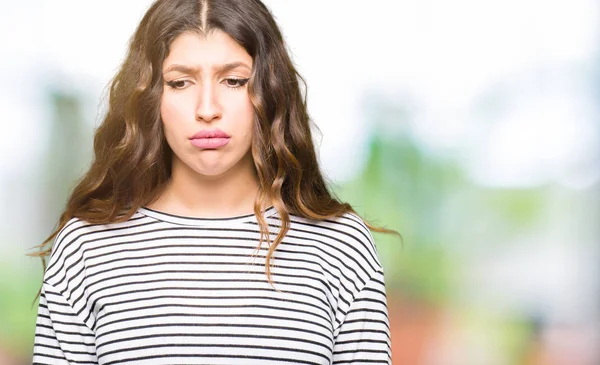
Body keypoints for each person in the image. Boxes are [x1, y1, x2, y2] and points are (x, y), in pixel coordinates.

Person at [31, 0, 400, 364]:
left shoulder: (340, 247)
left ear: (269, 91)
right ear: (151, 97)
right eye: (179, 82)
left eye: (235, 80)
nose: (207, 109)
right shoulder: (87, 248)